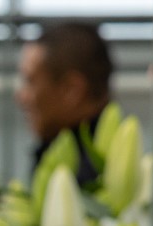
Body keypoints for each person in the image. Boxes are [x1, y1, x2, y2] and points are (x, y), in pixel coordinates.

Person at [16, 22, 114, 185]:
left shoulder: (95, 180)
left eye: (30, 82)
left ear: (71, 90)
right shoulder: (55, 149)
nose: (21, 96)